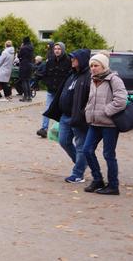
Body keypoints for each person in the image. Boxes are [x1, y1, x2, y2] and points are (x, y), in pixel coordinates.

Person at [83, 52, 127, 195]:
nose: (93, 68)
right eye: (91, 66)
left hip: (110, 124)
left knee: (108, 154)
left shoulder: (114, 79)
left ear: (104, 66)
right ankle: (98, 180)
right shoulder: (92, 79)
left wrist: (106, 111)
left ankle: (113, 186)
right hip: (94, 123)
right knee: (87, 150)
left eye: (96, 65)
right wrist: (88, 111)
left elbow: (121, 101)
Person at [44, 49, 91, 184]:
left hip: (78, 117)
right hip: (65, 115)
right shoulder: (72, 74)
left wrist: (83, 113)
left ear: (81, 60)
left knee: (81, 145)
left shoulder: (87, 76)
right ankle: (81, 163)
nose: (72, 60)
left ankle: (78, 173)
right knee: (63, 141)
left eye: (74, 58)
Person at [36, 42, 71, 138]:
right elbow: (45, 73)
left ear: (63, 50)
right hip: (51, 90)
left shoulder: (68, 61)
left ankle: (60, 130)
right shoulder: (50, 61)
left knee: (61, 110)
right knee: (48, 109)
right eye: (55, 49)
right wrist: (46, 82)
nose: (57, 50)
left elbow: (70, 76)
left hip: (62, 91)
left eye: (59, 49)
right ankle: (44, 128)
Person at [18, 36, 34, 102]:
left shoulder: (23, 48)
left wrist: (21, 48)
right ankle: (29, 97)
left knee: (24, 81)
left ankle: (25, 96)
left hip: (24, 65)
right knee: (28, 81)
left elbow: (19, 56)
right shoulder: (31, 47)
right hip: (30, 64)